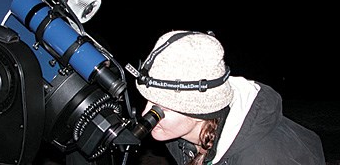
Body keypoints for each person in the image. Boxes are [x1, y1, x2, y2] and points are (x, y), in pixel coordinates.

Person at [128, 30, 325, 165]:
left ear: (199, 111)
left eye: (162, 107)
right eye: (149, 101)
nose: (146, 114)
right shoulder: (183, 134)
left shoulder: (260, 158)